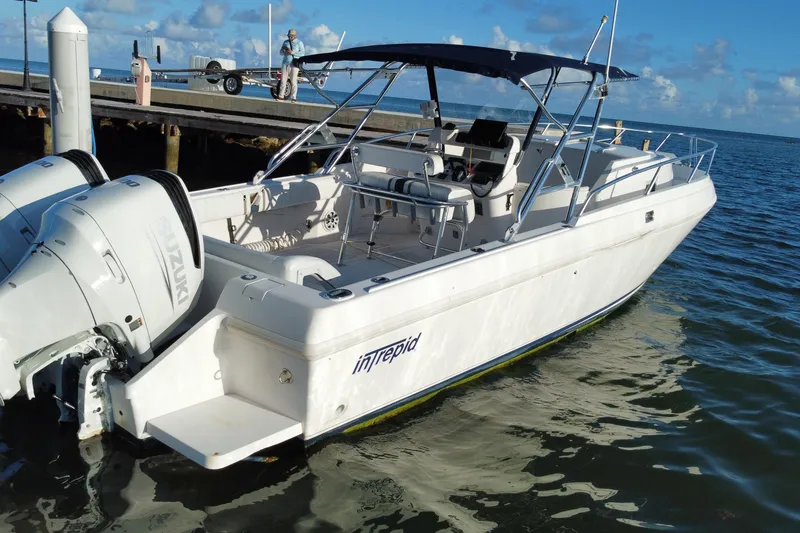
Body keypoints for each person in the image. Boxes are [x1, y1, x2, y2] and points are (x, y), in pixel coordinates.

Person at [279, 29, 304, 102]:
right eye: (289, 36)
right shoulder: (285, 42)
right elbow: (280, 53)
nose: (289, 37)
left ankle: (294, 97)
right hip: (285, 62)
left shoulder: (299, 43)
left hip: (294, 63)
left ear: (295, 36)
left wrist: (292, 52)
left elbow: (302, 53)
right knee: (283, 80)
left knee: (293, 81)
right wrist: (283, 51)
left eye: (291, 36)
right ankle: (281, 96)